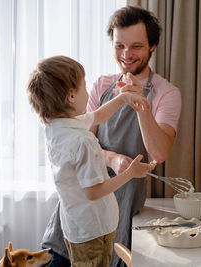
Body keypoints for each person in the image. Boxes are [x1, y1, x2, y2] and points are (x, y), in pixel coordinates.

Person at [41, 6, 181, 267]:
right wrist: (113, 159)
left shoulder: (166, 93)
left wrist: (141, 105)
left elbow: (159, 153)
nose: (126, 55)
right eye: (120, 46)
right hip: (79, 205)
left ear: (152, 46)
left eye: (136, 46)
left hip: (123, 207)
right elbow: (79, 140)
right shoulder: (101, 85)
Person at [26, 55, 156, 267]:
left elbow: (96, 116)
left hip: (75, 227)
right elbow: (94, 191)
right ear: (70, 96)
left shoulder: (57, 127)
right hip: (94, 231)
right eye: (84, 88)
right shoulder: (82, 141)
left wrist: (122, 99)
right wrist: (130, 173)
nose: (88, 93)